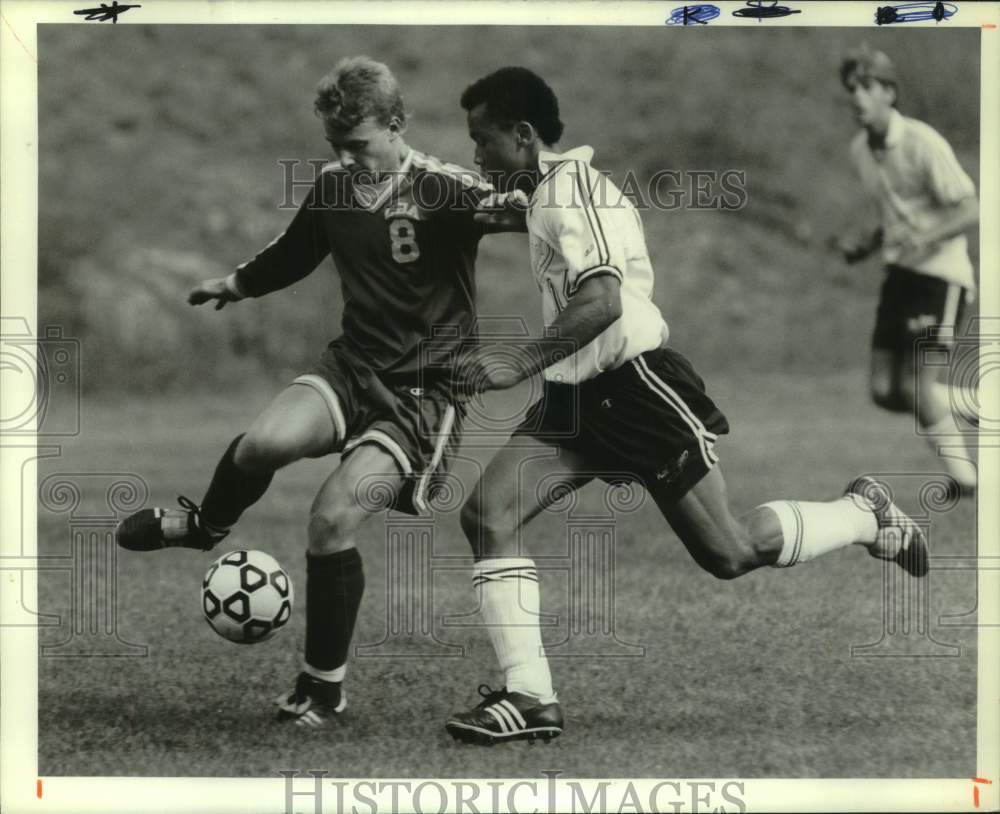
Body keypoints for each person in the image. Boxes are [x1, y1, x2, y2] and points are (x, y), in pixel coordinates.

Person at [444, 66, 929, 746]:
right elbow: (541, 220)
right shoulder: (550, 191)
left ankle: (862, 513)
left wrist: (513, 363)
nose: (477, 156)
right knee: (488, 512)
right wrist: (493, 209)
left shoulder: (570, 193)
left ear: (523, 136)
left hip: (634, 387)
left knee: (728, 553)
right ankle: (531, 697)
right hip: (577, 399)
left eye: (483, 141)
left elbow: (603, 298)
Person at [115, 56, 510, 727]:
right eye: (335, 146)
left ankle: (322, 689)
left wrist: (554, 202)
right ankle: (206, 526)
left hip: (422, 396)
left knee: (330, 520)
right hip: (352, 366)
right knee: (262, 443)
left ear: (397, 124)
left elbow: (523, 213)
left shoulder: (446, 189)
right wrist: (233, 285)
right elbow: (294, 253)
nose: (346, 159)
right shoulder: (331, 188)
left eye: (358, 145)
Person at [835, 45, 979, 494]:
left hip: (940, 274)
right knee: (884, 391)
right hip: (899, 274)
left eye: (868, 87)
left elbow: (971, 208)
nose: (858, 97)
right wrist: (868, 243)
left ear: (889, 92)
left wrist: (928, 238)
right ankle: (977, 403)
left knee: (919, 387)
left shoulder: (922, 142)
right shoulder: (860, 150)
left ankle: (968, 480)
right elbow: (895, 213)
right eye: (852, 88)